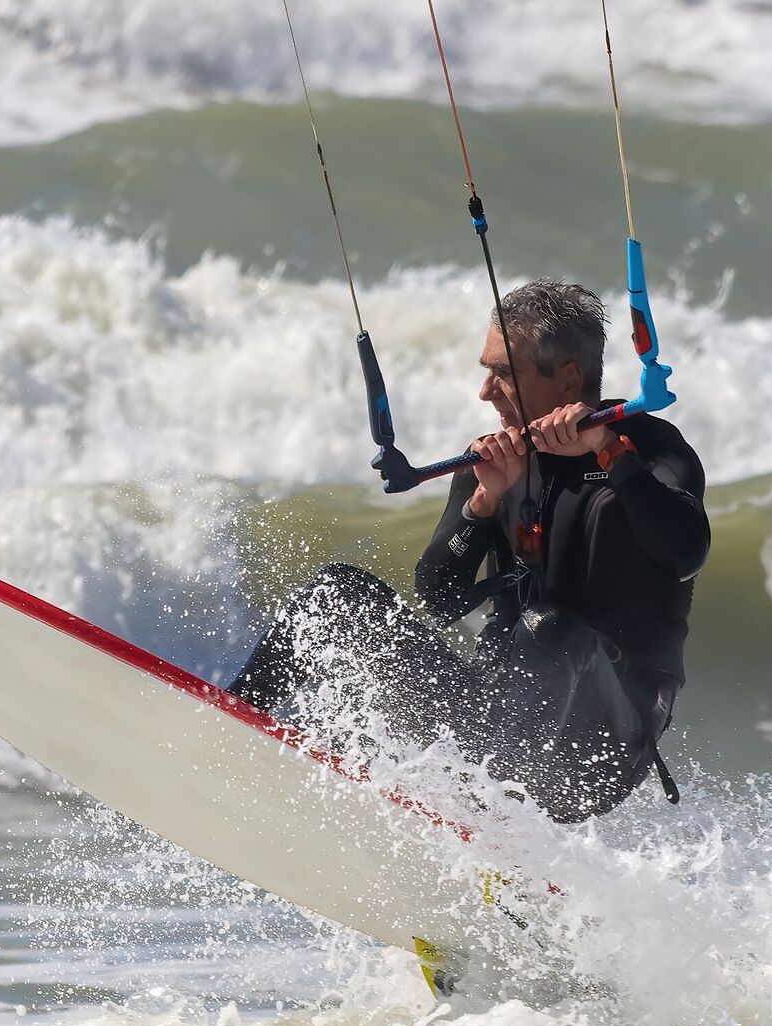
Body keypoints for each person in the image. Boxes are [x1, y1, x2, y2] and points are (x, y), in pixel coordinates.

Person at [229, 278, 708, 821]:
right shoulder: (497, 461)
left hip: (602, 748)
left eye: (503, 373)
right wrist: (484, 503)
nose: (485, 392)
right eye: (487, 370)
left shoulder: (651, 448)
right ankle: (225, 724)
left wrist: (608, 450)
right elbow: (437, 600)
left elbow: (685, 551)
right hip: (496, 718)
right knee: (337, 595)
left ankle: (490, 824)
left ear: (569, 379)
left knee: (552, 627)